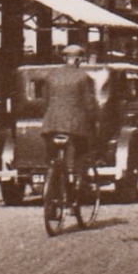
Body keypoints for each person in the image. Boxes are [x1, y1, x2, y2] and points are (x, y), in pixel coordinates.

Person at [39, 44, 100, 183]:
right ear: (79, 60)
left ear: (65, 59)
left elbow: (45, 103)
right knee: (81, 153)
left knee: (52, 158)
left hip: (51, 125)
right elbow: (89, 105)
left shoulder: (51, 76)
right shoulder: (83, 77)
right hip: (74, 127)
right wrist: (94, 120)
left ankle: (51, 180)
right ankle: (77, 183)